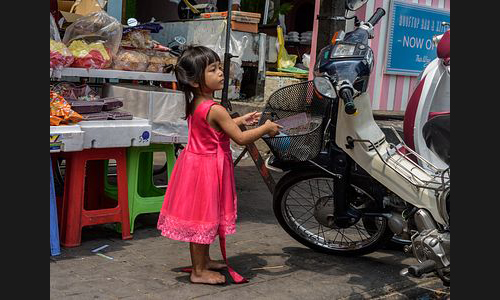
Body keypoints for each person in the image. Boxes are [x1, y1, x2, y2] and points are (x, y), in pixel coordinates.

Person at [157, 45, 282, 285]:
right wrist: (266, 129)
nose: (221, 73)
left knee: (205, 217)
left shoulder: (198, 102)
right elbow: (242, 138)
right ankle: (199, 271)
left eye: (219, 67)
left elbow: (214, 127)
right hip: (207, 170)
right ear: (195, 81)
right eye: (213, 69)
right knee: (202, 219)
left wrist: (240, 119)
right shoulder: (216, 108)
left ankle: (204, 261)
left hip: (195, 165)